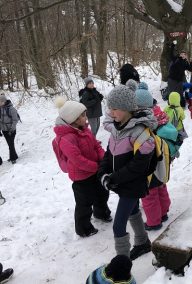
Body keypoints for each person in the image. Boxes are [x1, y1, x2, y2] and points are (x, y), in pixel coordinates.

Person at [98, 79, 157, 260]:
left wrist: (114, 178)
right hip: (121, 182)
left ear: (127, 109)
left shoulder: (140, 132)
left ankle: (122, 271)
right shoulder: (117, 128)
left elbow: (139, 166)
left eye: (115, 108)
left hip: (132, 184)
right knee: (132, 211)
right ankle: (142, 242)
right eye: (110, 108)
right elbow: (109, 154)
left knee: (118, 226)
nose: (110, 112)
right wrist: (103, 172)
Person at [53, 98, 111, 237]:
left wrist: (103, 159)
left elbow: (96, 145)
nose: (86, 118)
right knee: (84, 203)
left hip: (95, 170)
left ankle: (101, 213)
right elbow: (77, 160)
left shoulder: (85, 130)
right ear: (74, 119)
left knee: (101, 193)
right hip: (81, 177)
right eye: (83, 115)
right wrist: (96, 166)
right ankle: (83, 228)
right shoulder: (66, 138)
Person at [134, 82, 172, 231]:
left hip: (148, 162)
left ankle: (154, 222)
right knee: (161, 187)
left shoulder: (141, 122)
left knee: (149, 195)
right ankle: (163, 213)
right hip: (161, 160)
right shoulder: (159, 116)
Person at [0, 94, 19, 164]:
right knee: (10, 144)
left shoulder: (11, 109)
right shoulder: (0, 109)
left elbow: (15, 120)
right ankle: (15, 156)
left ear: (3, 101)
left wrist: (12, 129)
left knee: (10, 144)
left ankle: (13, 158)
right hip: (4, 130)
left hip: (11, 130)